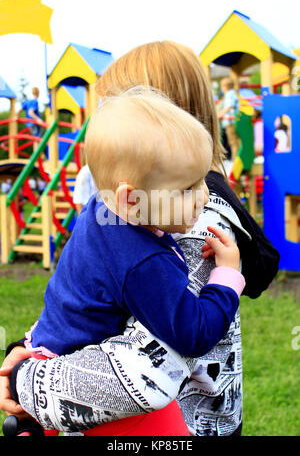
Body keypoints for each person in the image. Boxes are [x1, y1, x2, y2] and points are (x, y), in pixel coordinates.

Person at [0, 41, 279, 437]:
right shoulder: (126, 210)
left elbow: (142, 372)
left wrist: (25, 379)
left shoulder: (192, 218)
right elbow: (80, 293)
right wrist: (27, 347)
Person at [218, 77, 241, 162]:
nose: (222, 89)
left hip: (231, 122)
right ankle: (237, 159)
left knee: (233, 142)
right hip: (234, 121)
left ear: (226, 87)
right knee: (235, 141)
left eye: (222, 87)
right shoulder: (233, 93)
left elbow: (229, 106)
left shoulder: (229, 94)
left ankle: (235, 160)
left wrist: (219, 114)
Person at [20, 87, 44, 151]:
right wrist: (38, 119)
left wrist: (16, 116)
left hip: (29, 124)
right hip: (35, 123)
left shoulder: (27, 101)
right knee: (37, 139)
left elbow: (20, 109)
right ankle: (37, 156)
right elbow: (30, 112)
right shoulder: (35, 101)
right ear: (38, 93)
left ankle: (38, 155)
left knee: (35, 139)